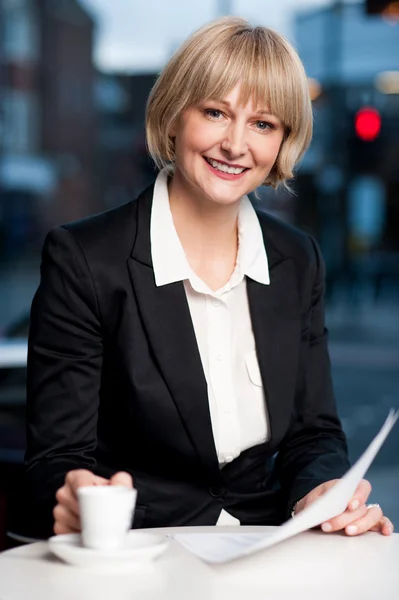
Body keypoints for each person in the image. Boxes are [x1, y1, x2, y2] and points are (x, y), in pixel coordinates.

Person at [24, 17, 393, 539]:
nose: (236, 144)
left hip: (265, 545)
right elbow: (56, 459)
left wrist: (319, 491)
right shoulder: (85, 258)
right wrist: (76, 497)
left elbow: (314, 433)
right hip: (136, 548)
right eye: (216, 113)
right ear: (175, 116)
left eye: (263, 124)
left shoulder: (296, 257)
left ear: (283, 140)